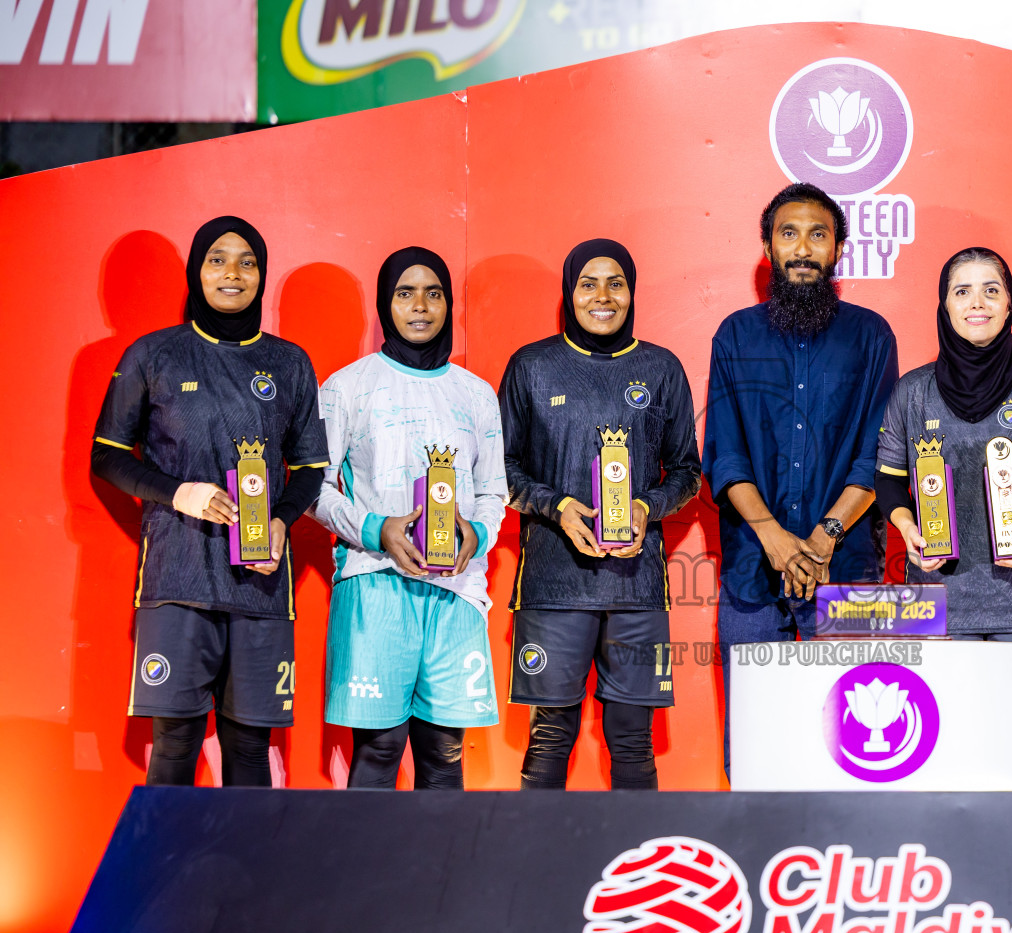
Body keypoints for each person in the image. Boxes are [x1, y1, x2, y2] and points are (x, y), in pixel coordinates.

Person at [91, 215, 328, 786]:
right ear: (197, 271)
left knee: (249, 748)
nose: (232, 274)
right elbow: (106, 455)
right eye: (217, 260)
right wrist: (180, 493)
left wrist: (282, 519)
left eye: (247, 262)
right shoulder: (154, 354)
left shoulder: (290, 362)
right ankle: (166, 852)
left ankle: (249, 853)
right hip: (177, 579)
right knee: (175, 745)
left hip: (260, 586)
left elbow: (310, 467)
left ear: (261, 275)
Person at [702, 182, 898, 776]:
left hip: (847, 568)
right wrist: (776, 539)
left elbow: (878, 453)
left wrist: (823, 537)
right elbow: (726, 454)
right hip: (751, 570)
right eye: (789, 234)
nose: (804, 249)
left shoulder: (871, 336)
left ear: (838, 249)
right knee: (753, 746)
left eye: (818, 235)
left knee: (855, 746)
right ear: (768, 248)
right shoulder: (735, 336)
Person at [873, 248, 1012, 790]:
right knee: (946, 765)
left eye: (991, 290)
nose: (977, 303)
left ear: (1010, 303)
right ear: (944, 305)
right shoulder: (912, 392)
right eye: (962, 291)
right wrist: (907, 528)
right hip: (938, 601)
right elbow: (889, 479)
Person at [500, 239, 700, 790]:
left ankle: (641, 849)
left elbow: (688, 471)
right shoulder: (532, 366)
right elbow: (499, 468)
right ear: (570, 292)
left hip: (636, 584)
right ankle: (537, 850)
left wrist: (646, 506)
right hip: (553, 583)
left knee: (633, 742)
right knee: (550, 736)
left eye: (616, 283)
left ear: (632, 292)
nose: (603, 297)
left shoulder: (660, 368)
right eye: (588, 284)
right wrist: (558, 507)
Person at [310, 247, 506, 790]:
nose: (420, 306)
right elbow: (313, 490)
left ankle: (441, 854)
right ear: (384, 305)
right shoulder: (346, 387)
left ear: (448, 304)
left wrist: (478, 533)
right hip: (374, 585)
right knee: (379, 749)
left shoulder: (477, 394)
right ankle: (369, 854)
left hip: (457, 591)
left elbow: (494, 491)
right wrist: (376, 530)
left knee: (445, 755)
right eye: (405, 293)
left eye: (433, 293)